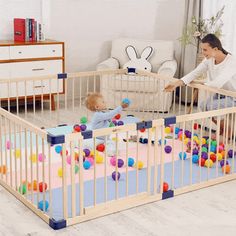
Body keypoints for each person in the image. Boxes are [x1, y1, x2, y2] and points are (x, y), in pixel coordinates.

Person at [164, 33, 236, 135]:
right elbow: (194, 73)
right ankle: (223, 129)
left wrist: (203, 85)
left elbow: (218, 82)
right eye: (202, 49)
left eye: (205, 50)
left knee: (211, 106)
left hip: (233, 96)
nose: (203, 52)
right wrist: (176, 83)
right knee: (203, 106)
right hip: (220, 93)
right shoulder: (209, 60)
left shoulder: (232, 61)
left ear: (215, 49)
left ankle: (228, 132)